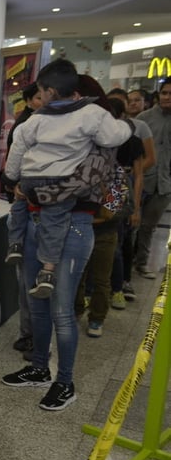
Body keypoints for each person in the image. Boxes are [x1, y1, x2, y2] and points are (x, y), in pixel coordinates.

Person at [2, 59, 132, 298]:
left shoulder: (42, 120)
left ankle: (15, 244)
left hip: (64, 208)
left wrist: (15, 181)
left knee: (19, 205)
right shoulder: (84, 120)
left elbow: (18, 146)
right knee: (55, 301)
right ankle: (48, 277)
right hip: (63, 211)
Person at [73, 85, 143, 338]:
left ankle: (97, 318)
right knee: (77, 275)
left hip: (102, 229)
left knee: (101, 277)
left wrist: (102, 212)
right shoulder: (79, 153)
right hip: (82, 225)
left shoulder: (114, 159)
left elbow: (118, 193)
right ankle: (76, 311)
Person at [5, 81, 43, 357]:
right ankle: (32, 340)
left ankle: (40, 349)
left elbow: (112, 192)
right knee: (30, 283)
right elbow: (9, 174)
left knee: (49, 290)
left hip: (65, 221)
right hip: (32, 214)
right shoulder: (25, 129)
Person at [107, 87, 155, 300]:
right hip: (104, 189)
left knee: (121, 238)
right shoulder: (102, 135)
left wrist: (135, 207)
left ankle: (120, 285)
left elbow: (140, 172)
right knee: (108, 236)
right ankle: (101, 287)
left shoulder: (136, 133)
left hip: (120, 189)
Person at [133, 79, 171, 280]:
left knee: (149, 226)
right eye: (164, 93)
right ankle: (124, 268)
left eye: (170, 94)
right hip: (140, 180)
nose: (167, 97)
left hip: (164, 184)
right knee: (132, 224)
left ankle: (141, 263)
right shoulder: (144, 118)